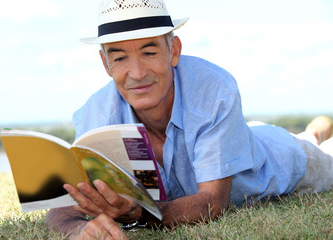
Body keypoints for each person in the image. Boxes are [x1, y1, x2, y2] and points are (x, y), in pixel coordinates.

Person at [45, 0, 333, 239]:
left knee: (316, 153)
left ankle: (313, 136)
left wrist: (141, 215)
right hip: (238, 136)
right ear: (105, 63)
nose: (136, 73)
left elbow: (213, 202)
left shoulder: (214, 90)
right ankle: (314, 131)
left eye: (149, 51)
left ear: (174, 51)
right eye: (119, 58)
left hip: (275, 156)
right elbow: (64, 205)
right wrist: (78, 229)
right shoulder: (95, 116)